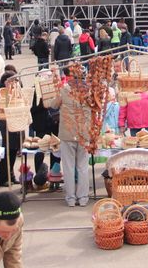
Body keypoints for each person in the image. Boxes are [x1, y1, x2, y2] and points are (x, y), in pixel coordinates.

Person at [48, 75, 93, 206]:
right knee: (83, 167)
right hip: (84, 134)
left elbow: (53, 104)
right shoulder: (89, 91)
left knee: (68, 167)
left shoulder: (64, 90)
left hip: (67, 134)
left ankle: (71, 199)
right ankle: (83, 198)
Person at [0, 71, 20, 187]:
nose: (16, 83)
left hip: (14, 128)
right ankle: (2, 178)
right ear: (6, 81)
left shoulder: (14, 91)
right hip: (2, 128)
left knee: (13, 152)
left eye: (16, 80)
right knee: (4, 155)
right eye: (13, 80)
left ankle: (11, 175)